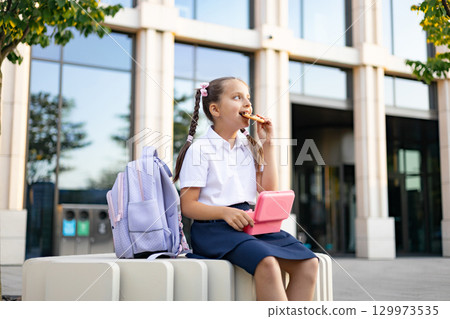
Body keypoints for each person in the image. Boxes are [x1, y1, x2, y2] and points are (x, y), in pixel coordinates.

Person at [173, 76, 318, 301]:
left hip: (250, 225)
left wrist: (268, 145)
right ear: (215, 109)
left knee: (308, 263)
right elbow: (188, 205)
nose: (247, 104)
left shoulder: (248, 147)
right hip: (214, 230)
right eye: (237, 97)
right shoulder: (200, 149)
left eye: (248, 98)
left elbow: (268, 190)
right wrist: (225, 212)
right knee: (267, 263)